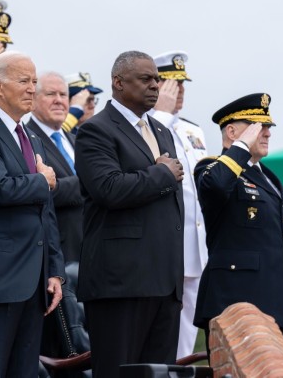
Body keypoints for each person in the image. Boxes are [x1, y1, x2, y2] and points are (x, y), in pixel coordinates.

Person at [75, 51, 185, 378]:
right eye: (146, 79)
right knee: (117, 372)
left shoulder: (162, 132)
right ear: (118, 83)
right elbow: (108, 188)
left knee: (159, 373)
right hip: (121, 282)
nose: (155, 85)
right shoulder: (96, 130)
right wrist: (163, 174)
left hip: (164, 281)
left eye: (157, 79)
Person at [0, 51, 65, 378]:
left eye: (34, 81)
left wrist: (55, 269)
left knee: (25, 370)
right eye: (24, 81)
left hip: (34, 277)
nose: (32, 88)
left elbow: (45, 212)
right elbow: (1, 189)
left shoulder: (29, 136)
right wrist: (42, 180)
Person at [193, 93, 283, 351]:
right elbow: (216, 185)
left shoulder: (269, 178)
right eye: (257, 126)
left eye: (268, 127)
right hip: (236, 306)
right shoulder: (212, 169)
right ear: (231, 131)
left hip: (276, 307)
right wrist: (240, 147)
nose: (267, 133)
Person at [151, 50, 208, 359]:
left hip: (195, 247)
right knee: (161, 333)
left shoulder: (192, 130)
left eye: (182, 83)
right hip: (164, 249)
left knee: (187, 338)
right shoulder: (146, 125)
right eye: (173, 83)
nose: (180, 90)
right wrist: (160, 113)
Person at [26, 71, 83, 262]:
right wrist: (92, 184)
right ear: (32, 100)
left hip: (93, 247)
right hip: (55, 253)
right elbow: (40, 192)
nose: (59, 100)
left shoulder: (79, 140)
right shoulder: (24, 140)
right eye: (50, 94)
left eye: (63, 95)